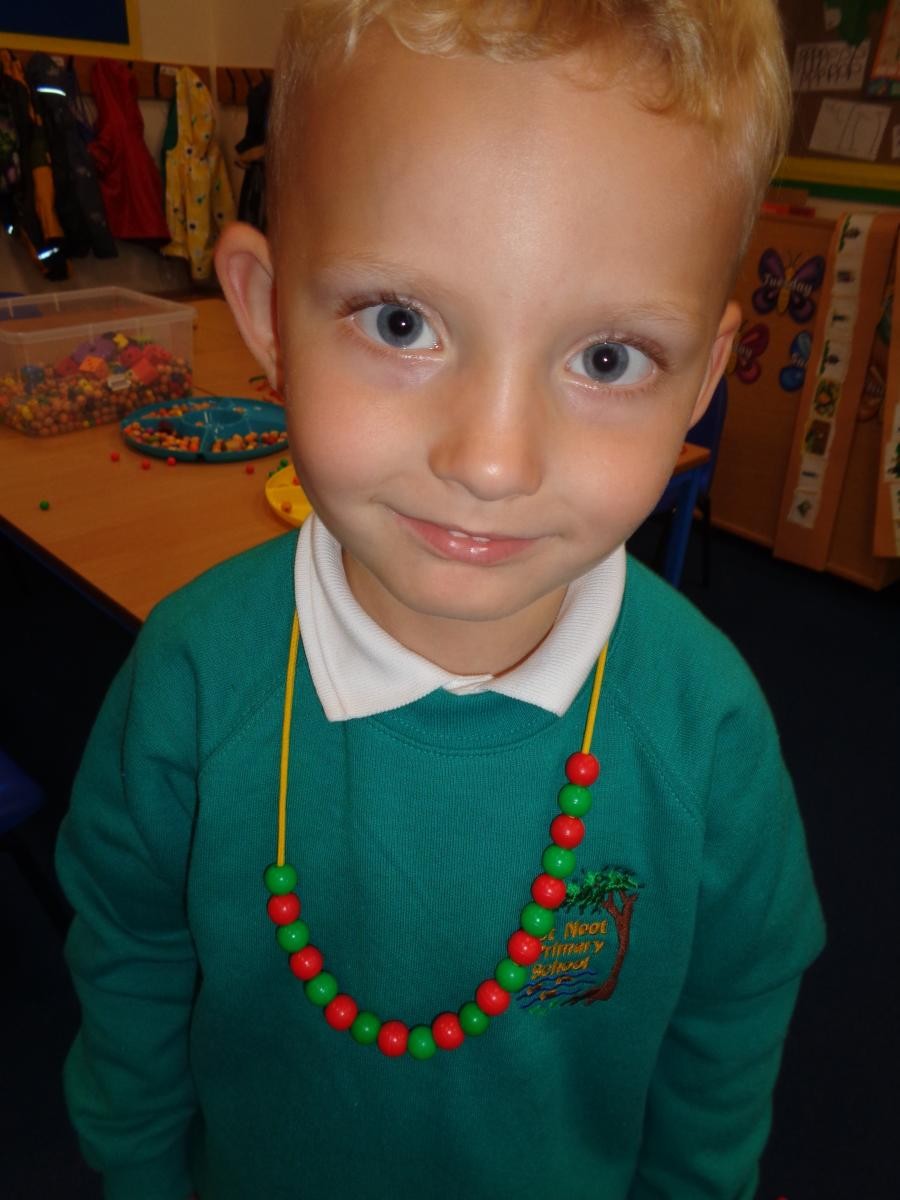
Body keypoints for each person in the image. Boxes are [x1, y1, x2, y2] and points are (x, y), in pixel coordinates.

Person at [57, 3, 825, 1197]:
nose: (494, 460)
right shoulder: (194, 674)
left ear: (702, 386)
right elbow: (128, 962)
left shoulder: (706, 728)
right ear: (265, 313)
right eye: (403, 322)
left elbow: (727, 1036)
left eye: (609, 357)